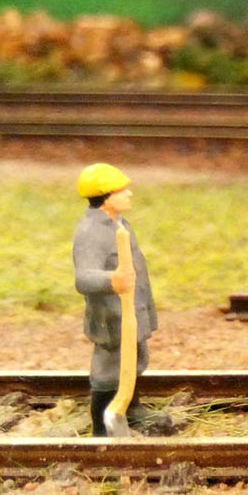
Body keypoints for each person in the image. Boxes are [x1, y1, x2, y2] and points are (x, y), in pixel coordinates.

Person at [71, 163, 173, 437]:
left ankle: (130, 406)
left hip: (134, 311)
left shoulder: (120, 223)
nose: (129, 194)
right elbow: (83, 278)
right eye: (121, 190)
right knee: (109, 367)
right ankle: (102, 422)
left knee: (136, 359)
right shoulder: (90, 232)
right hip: (111, 315)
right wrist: (110, 281)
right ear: (104, 196)